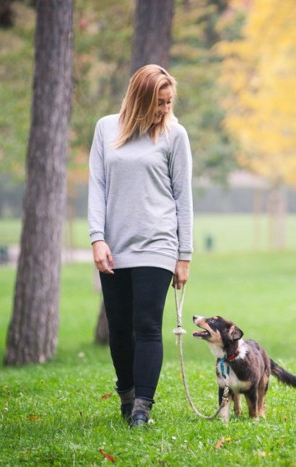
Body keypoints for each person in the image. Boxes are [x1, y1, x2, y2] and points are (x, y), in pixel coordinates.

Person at [88, 64, 193, 428]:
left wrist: (184, 256)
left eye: (168, 102)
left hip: (158, 243)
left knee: (147, 325)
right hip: (115, 244)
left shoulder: (174, 135)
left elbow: (183, 197)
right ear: (140, 98)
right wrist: (96, 238)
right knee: (119, 327)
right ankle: (127, 396)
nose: (165, 109)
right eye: (158, 102)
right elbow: (97, 188)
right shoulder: (105, 128)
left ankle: (142, 408)